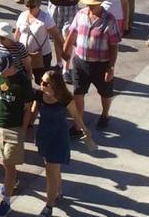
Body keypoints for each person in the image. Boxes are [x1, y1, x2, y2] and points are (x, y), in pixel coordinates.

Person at [34, 70, 96, 217]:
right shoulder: (39, 96)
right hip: (44, 136)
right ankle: (58, 192)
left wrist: (85, 130)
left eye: (44, 82)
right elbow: (33, 112)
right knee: (52, 169)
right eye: (40, 81)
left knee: (50, 171)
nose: (40, 84)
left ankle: (49, 206)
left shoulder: (65, 99)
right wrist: (26, 127)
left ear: (54, 85)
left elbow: (76, 116)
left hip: (59, 138)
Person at [64, 0, 121, 133]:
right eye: (88, 3)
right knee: (78, 92)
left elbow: (114, 45)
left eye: (92, 4)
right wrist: (66, 50)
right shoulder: (81, 14)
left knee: (105, 93)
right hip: (80, 61)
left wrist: (111, 67)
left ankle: (105, 114)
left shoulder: (109, 20)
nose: (90, 7)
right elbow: (72, 33)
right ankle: (78, 123)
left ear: (100, 3)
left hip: (101, 64)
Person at [0, 55, 34, 217]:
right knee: (5, 162)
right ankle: (12, 182)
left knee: (9, 164)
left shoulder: (23, 82)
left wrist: (24, 129)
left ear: (12, 67)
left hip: (14, 128)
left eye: (4, 71)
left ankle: (6, 202)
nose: (1, 74)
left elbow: (28, 108)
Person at [15, 0, 63, 86]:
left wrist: (63, 52)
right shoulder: (22, 15)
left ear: (39, 5)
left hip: (41, 57)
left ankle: (44, 99)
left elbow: (57, 36)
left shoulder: (45, 17)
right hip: (23, 55)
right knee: (23, 81)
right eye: (27, 5)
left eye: (32, 6)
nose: (29, 8)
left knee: (42, 82)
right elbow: (17, 34)